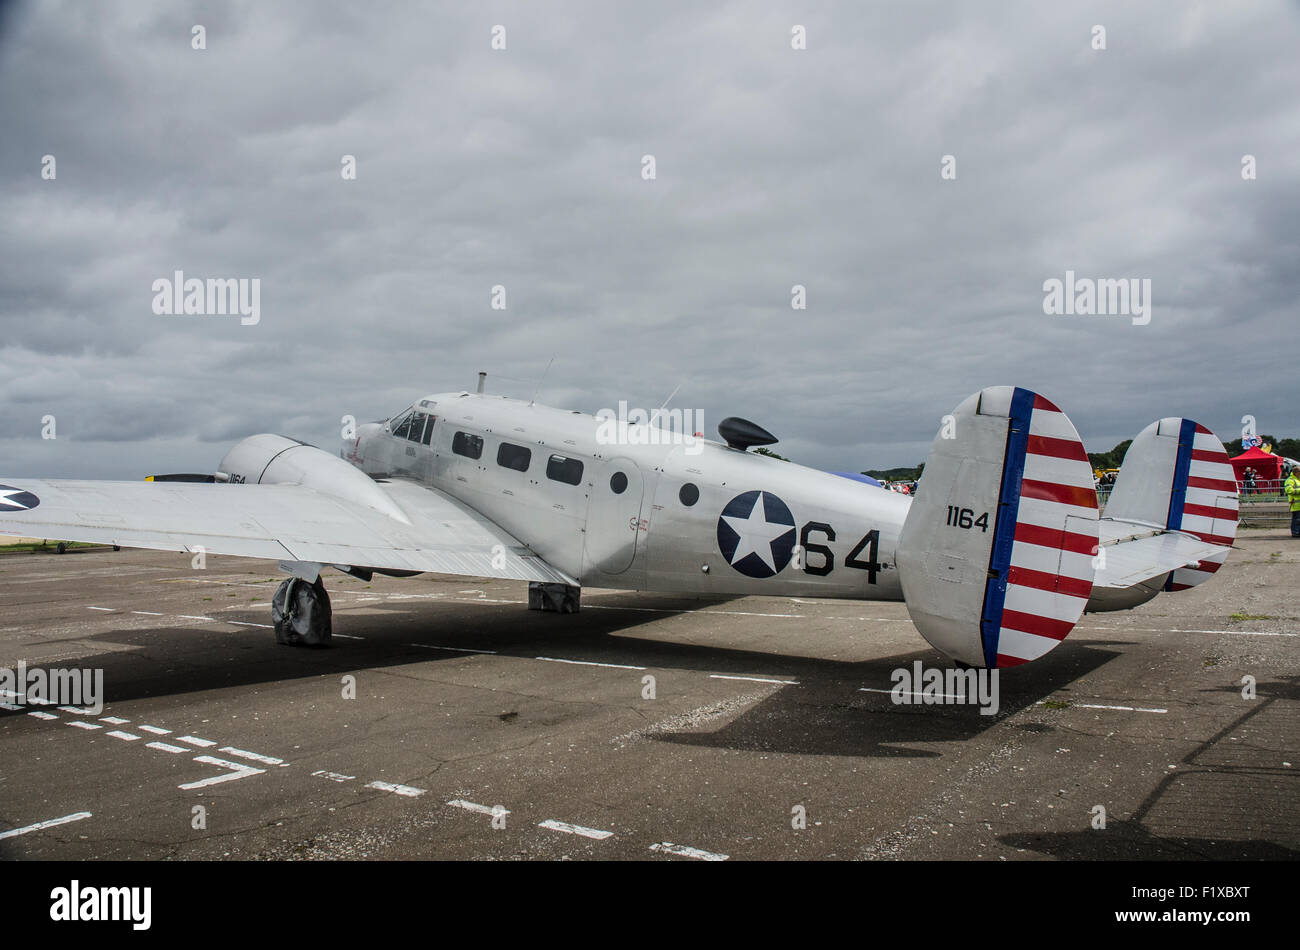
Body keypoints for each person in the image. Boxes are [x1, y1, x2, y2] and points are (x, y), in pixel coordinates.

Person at [1286, 466, 1300, 538]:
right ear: (1295, 472)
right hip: (1295, 504)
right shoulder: (1290, 480)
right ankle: (1295, 533)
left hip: (1298, 504)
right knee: (1297, 519)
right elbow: (1289, 490)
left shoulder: (1298, 480)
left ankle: (1297, 532)